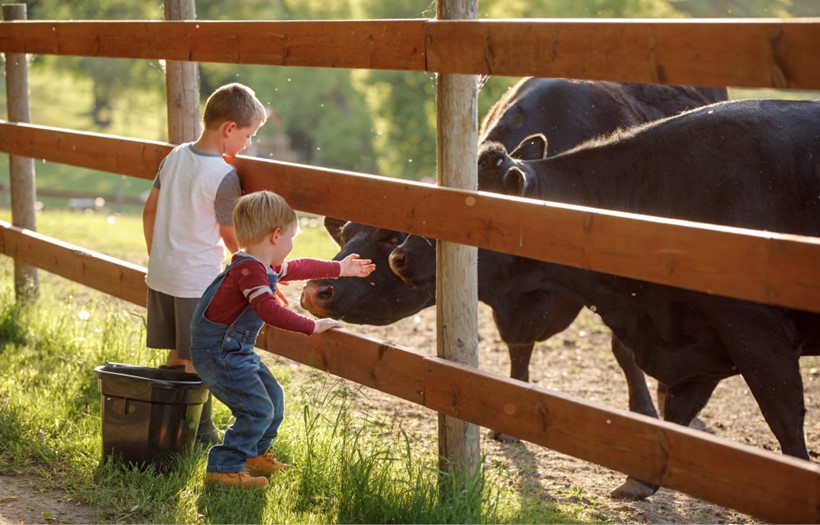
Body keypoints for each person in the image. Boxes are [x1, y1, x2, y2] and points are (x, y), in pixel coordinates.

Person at [190, 190, 375, 489]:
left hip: (235, 350)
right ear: (276, 235)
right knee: (257, 409)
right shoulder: (249, 272)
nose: (291, 246)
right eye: (291, 238)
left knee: (273, 399)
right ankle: (223, 468)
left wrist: (339, 269)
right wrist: (311, 326)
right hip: (219, 353)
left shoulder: (261, 265)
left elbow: (300, 266)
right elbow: (269, 310)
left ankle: (253, 456)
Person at [142, 82, 267, 445]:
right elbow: (231, 236)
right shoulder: (223, 176)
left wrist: (159, 254)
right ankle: (200, 433)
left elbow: (150, 211)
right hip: (195, 281)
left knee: (176, 352)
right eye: (248, 136)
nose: (247, 145)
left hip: (163, 273)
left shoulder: (175, 156)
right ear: (229, 129)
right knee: (200, 356)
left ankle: (165, 427)